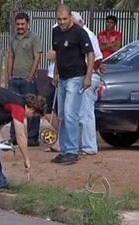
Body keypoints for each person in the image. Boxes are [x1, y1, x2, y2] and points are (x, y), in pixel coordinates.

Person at [51, 4, 94, 164]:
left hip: (76, 77)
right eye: (59, 19)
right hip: (62, 78)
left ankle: (72, 151)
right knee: (62, 114)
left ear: (70, 17)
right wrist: (55, 72)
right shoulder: (55, 31)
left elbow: (90, 54)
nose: (62, 22)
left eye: (64, 19)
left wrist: (88, 77)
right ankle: (64, 150)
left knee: (70, 113)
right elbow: (57, 53)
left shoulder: (79, 32)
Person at [7, 12, 42, 147]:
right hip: (14, 80)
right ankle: (14, 137)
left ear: (28, 24)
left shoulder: (34, 38)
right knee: (13, 109)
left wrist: (30, 76)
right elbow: (10, 56)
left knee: (32, 109)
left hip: (28, 81)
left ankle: (32, 138)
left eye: (22, 24)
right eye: (18, 24)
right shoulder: (13, 39)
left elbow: (37, 57)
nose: (20, 27)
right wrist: (9, 76)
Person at [71, 11, 104, 155]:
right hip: (80, 77)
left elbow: (98, 58)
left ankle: (89, 147)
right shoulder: (77, 35)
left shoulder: (87, 35)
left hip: (88, 78)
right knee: (78, 113)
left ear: (79, 22)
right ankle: (80, 145)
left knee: (86, 113)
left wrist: (88, 75)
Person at [43, 49, 60, 152]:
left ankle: (60, 139)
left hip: (57, 80)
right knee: (46, 109)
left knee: (55, 110)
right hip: (51, 79)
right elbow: (49, 56)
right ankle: (60, 137)